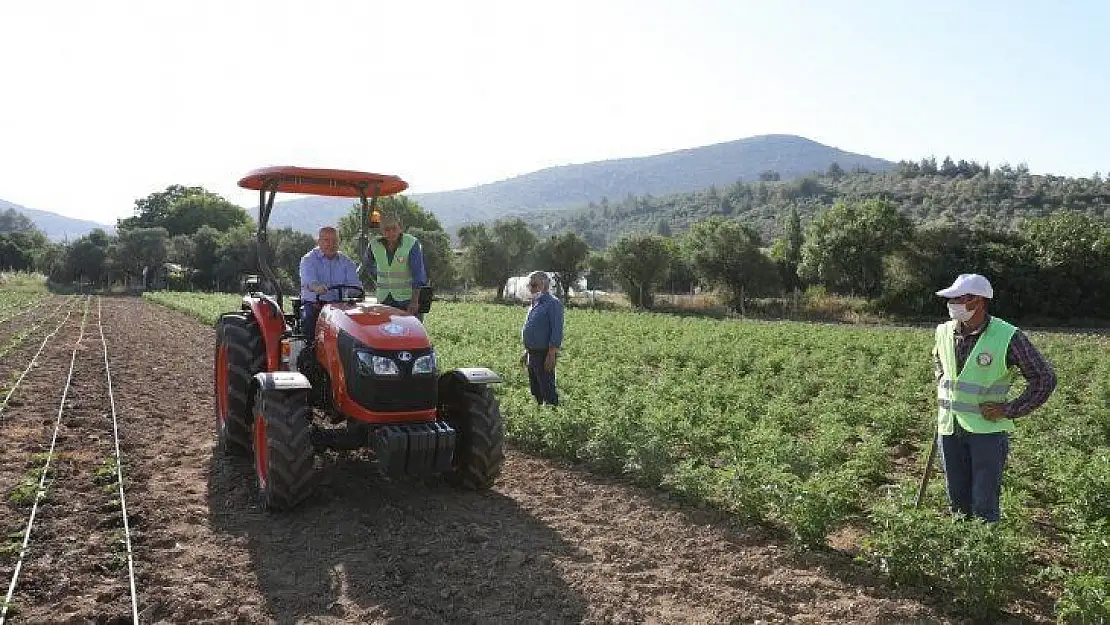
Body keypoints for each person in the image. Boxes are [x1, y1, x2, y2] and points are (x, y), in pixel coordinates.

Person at [932, 273, 1056, 522]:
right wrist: (942, 381)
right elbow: (939, 360)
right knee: (957, 501)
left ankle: (984, 555)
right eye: (950, 299)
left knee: (983, 503)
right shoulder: (943, 331)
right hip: (949, 428)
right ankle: (962, 553)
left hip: (986, 433)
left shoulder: (1008, 335)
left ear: (977, 301)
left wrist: (1009, 409)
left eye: (958, 298)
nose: (951, 304)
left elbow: (1044, 379)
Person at [299, 226, 360, 343]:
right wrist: (316, 287)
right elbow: (309, 282)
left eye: (335, 241)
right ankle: (309, 350)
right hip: (316, 304)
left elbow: (355, 286)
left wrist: (356, 291)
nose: (331, 244)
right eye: (327, 240)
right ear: (319, 242)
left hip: (340, 306)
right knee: (310, 319)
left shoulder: (346, 262)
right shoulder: (308, 260)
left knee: (355, 323)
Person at [364, 212, 428, 319]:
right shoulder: (374, 245)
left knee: (409, 333)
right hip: (384, 299)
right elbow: (368, 265)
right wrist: (379, 279)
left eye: (394, 228)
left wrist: (414, 301)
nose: (391, 232)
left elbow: (418, 275)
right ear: (381, 230)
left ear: (400, 227)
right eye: (386, 230)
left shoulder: (411, 243)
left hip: (407, 300)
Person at [520, 271, 564, 405]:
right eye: (530, 285)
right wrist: (527, 351)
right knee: (535, 389)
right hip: (532, 353)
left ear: (544, 285)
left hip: (544, 353)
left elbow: (556, 330)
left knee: (547, 389)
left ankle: (553, 416)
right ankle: (539, 413)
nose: (531, 288)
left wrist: (551, 354)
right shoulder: (535, 303)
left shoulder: (553, 304)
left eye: (534, 285)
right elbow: (535, 328)